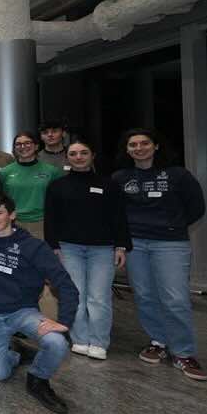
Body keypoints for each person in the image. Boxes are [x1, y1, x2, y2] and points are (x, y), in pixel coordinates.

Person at [112, 128, 207, 380]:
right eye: (133, 145)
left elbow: (196, 207)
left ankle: (184, 352)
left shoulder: (178, 175)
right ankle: (158, 342)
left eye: (144, 143)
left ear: (156, 146)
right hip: (135, 244)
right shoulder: (120, 178)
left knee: (175, 298)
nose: (139, 148)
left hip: (170, 244)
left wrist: (172, 224)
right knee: (144, 295)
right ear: (127, 149)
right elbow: (114, 212)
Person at [0, 193, 77, 414]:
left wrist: (64, 322)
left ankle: (38, 379)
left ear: (12, 215)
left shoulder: (33, 247)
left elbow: (66, 285)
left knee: (57, 342)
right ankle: (18, 354)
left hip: (23, 312)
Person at [44, 140, 130, 360]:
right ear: (67, 158)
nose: (78, 157)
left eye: (84, 152)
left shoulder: (109, 184)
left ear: (93, 155)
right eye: (73, 153)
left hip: (103, 249)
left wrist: (121, 245)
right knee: (76, 295)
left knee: (99, 298)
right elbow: (51, 219)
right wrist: (53, 246)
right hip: (69, 248)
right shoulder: (57, 186)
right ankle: (80, 339)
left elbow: (119, 217)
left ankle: (99, 342)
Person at [0, 132, 64, 239]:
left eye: (27, 143)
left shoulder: (52, 171)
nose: (23, 147)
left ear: (36, 146)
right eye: (18, 144)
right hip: (13, 223)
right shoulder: (4, 172)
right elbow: (1, 200)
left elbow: (59, 200)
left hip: (42, 224)